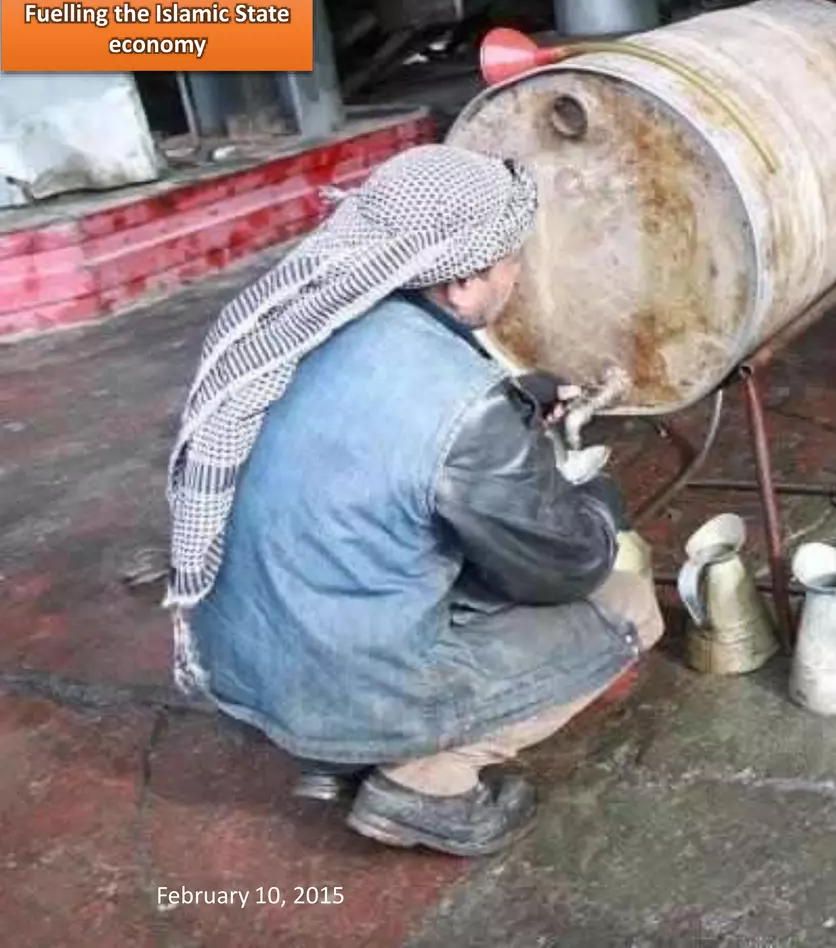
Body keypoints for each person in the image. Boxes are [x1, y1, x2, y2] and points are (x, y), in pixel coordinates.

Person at [165, 145, 663, 858]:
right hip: (343, 681)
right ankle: (426, 782)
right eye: (509, 260)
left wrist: (510, 407)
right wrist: (593, 502)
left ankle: (339, 750)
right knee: (627, 606)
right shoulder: (462, 408)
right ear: (462, 283)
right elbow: (559, 570)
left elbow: (368, 436)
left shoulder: (299, 318)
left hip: (241, 661)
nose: (517, 273)